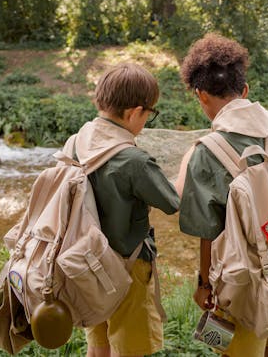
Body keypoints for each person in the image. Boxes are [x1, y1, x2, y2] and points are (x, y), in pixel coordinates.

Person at [176, 33, 268, 357]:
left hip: (241, 282)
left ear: (200, 95)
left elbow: (207, 231)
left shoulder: (206, 152)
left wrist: (204, 285)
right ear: (245, 90)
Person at [75, 62, 180, 357]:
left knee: (97, 344)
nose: (147, 120)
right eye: (149, 113)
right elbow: (172, 202)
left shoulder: (78, 141)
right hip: (127, 267)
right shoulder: (134, 161)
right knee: (130, 348)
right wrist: (186, 165)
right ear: (135, 112)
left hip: (86, 262)